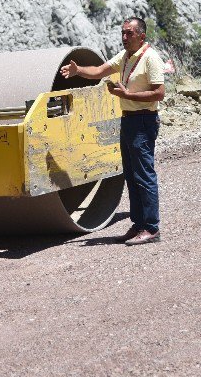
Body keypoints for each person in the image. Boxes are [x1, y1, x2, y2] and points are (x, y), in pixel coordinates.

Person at [60, 17, 165, 245]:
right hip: (128, 120)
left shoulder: (151, 58)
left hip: (143, 121)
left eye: (129, 33)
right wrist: (79, 71)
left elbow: (159, 93)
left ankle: (151, 228)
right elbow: (99, 70)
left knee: (144, 176)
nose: (124, 37)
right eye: (123, 33)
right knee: (131, 175)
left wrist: (127, 95)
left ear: (141, 36)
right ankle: (138, 224)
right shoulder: (125, 57)